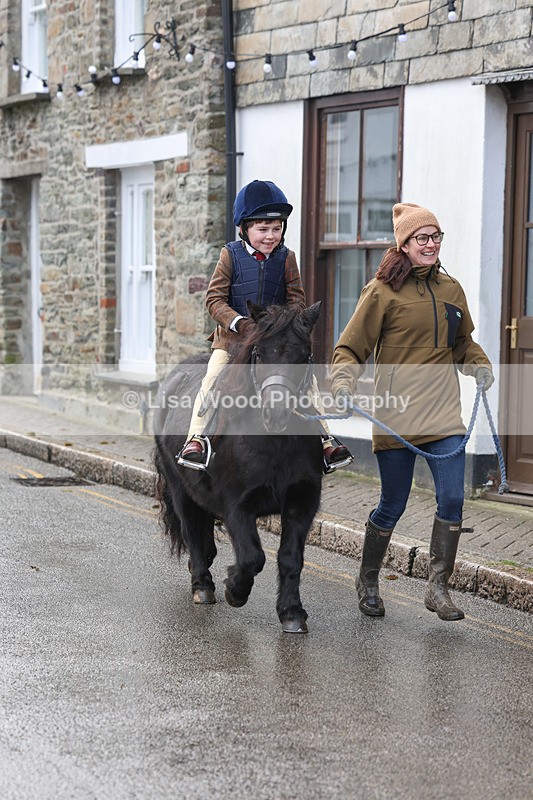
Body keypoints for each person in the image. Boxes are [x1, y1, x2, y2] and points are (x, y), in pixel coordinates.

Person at [330, 202, 494, 622]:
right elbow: (350, 348)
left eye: (436, 237)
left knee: (453, 498)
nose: (431, 244)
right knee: (393, 504)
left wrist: (478, 364)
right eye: (422, 238)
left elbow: (463, 343)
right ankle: (368, 579)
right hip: (396, 414)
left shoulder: (451, 290)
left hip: (442, 414)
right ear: (403, 244)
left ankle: (438, 588)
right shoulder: (381, 291)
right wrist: (343, 383)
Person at [177, 179, 353, 473]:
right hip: (232, 341)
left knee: (307, 383)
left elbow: (297, 299)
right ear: (244, 228)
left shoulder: (287, 258)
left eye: (277, 228)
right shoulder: (229, 255)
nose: (271, 236)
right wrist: (239, 323)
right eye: (263, 229)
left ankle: (326, 441)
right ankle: (197, 439)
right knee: (211, 379)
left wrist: (282, 323)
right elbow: (214, 299)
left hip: (275, 343)